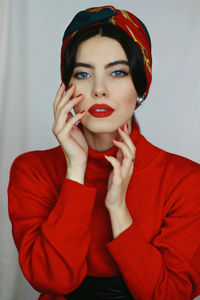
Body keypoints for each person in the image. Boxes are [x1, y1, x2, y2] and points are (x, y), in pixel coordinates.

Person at [8, 5, 200, 300]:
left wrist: (118, 209)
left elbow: (172, 294)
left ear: (140, 86)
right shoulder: (32, 170)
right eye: (83, 73)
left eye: (118, 72)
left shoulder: (186, 180)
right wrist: (75, 172)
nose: (99, 89)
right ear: (67, 88)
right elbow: (52, 281)